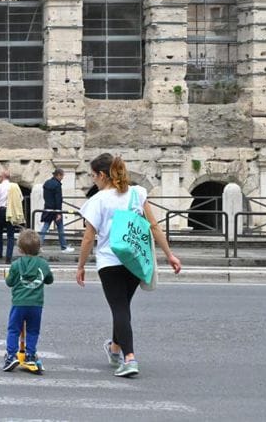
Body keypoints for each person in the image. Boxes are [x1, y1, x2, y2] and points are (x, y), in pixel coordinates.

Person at [76, 153, 182, 378]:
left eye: (93, 176)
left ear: (103, 175)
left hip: (110, 261)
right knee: (122, 307)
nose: (93, 180)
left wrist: (81, 266)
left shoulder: (97, 200)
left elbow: (88, 238)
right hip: (135, 259)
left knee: (120, 308)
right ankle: (114, 350)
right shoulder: (137, 193)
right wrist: (169, 255)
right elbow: (154, 226)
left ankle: (130, 358)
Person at [3, 229, 53, 372]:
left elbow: (10, 282)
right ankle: (30, 355)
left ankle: (11, 356)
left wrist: (7, 277)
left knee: (14, 329)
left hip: (19, 303)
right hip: (36, 305)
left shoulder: (16, 265)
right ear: (39, 248)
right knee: (32, 330)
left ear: (19, 249)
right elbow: (49, 280)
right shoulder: (43, 264)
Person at [40, 168, 74, 253]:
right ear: (58, 175)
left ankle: (38, 246)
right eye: (62, 176)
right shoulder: (57, 185)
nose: (62, 178)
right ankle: (63, 247)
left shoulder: (47, 183)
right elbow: (58, 199)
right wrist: (59, 212)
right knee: (60, 228)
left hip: (47, 208)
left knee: (45, 227)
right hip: (55, 210)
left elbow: (45, 197)